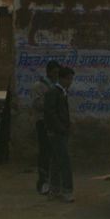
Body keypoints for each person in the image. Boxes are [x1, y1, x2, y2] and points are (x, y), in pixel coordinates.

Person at [44, 66, 75, 202]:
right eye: (68, 79)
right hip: (57, 132)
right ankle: (67, 190)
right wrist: (60, 128)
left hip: (61, 131)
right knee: (65, 161)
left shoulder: (62, 92)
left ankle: (54, 189)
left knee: (56, 161)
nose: (70, 82)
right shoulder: (54, 92)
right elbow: (50, 113)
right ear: (62, 78)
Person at [30, 59, 60, 194]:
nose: (56, 75)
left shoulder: (57, 86)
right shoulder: (39, 86)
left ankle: (52, 180)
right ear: (49, 72)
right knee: (45, 151)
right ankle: (43, 181)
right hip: (42, 122)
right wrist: (51, 103)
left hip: (54, 122)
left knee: (53, 151)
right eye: (54, 73)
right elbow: (37, 104)